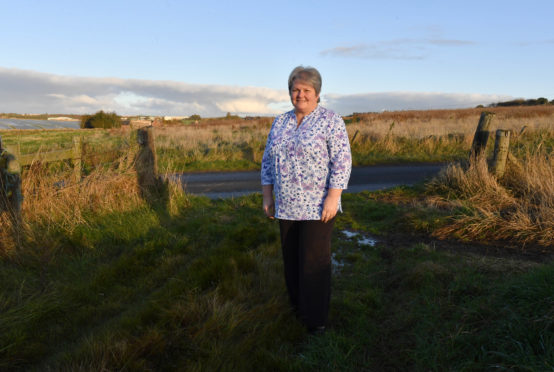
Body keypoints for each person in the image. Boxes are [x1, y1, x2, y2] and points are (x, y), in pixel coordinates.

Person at [261, 66, 352, 333]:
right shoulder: (280, 122)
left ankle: (316, 321)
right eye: (295, 90)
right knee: (291, 259)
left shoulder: (331, 121)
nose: (300, 95)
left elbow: (342, 163)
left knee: (314, 261)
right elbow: (267, 161)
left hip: (317, 207)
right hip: (286, 205)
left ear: (317, 93)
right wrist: (268, 196)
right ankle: (297, 309)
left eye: (306, 90)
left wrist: (333, 198)